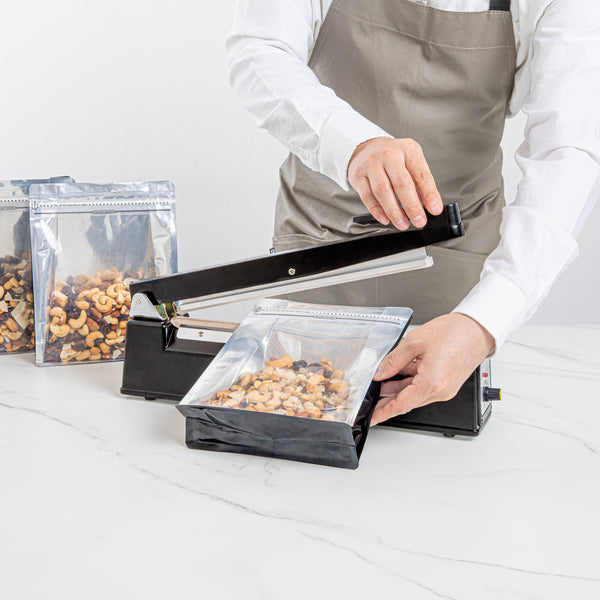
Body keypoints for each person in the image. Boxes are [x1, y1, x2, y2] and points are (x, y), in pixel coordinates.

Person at [226, 0, 600, 425]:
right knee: (291, 416)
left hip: (456, 260)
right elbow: (259, 48)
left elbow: (567, 148)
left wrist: (482, 321)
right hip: (318, 245)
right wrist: (352, 144)